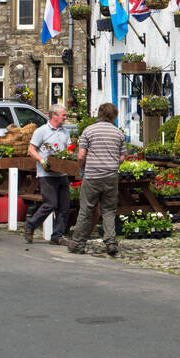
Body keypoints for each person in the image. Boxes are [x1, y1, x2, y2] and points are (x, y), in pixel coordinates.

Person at [68, 102, 126, 257]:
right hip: (111, 176)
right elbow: (122, 157)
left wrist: (83, 167)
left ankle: (78, 244)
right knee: (108, 210)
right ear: (113, 116)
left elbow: (80, 155)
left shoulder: (89, 131)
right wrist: (112, 163)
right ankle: (110, 242)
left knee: (86, 209)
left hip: (92, 175)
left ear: (99, 114)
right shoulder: (118, 133)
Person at [25, 104, 75, 245]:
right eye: (63, 115)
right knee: (50, 203)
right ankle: (30, 225)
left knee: (64, 206)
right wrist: (42, 160)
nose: (65, 118)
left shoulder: (65, 132)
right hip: (46, 174)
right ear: (54, 115)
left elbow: (68, 149)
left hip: (61, 174)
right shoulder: (42, 131)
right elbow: (31, 149)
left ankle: (57, 236)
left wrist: (69, 155)